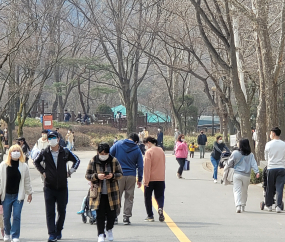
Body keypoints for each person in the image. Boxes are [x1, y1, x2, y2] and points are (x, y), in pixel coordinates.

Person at [33, 130, 80, 242]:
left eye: (53, 137)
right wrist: (43, 172)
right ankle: (51, 233)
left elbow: (77, 160)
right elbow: (36, 162)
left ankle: (58, 229)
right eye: (49, 138)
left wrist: (70, 172)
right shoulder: (45, 152)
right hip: (49, 186)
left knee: (62, 210)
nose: (51, 140)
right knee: (50, 211)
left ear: (58, 139)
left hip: (62, 187)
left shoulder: (65, 152)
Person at [86, 143, 123, 242]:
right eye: (102, 153)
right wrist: (97, 176)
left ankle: (109, 229)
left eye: (106, 153)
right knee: (100, 215)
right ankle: (100, 234)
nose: (104, 155)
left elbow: (120, 174)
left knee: (112, 215)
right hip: (98, 193)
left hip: (112, 193)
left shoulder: (114, 160)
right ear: (98, 152)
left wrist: (112, 175)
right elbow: (87, 175)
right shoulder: (93, 161)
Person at [0, 144, 33, 242]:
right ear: (9, 153)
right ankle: (7, 233)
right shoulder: (3, 166)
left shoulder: (24, 166)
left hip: (18, 195)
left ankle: (15, 235)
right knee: (6, 216)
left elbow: (27, 180)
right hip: (6, 196)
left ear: (21, 153)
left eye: (18, 151)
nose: (15, 153)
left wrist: (29, 193)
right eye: (13, 151)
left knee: (17, 215)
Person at [110, 133, 143, 225]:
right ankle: (126, 217)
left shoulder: (117, 144)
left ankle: (115, 216)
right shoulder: (137, 149)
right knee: (129, 197)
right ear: (136, 141)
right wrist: (139, 179)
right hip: (131, 175)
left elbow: (109, 155)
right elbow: (140, 166)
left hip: (118, 175)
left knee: (117, 196)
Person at [223, 139, 260, 213]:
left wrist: (225, 168)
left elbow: (229, 163)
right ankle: (243, 205)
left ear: (241, 145)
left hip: (237, 174)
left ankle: (238, 206)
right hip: (247, 176)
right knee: (244, 191)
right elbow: (254, 164)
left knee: (237, 190)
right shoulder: (251, 154)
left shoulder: (235, 153)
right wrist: (257, 172)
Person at [143, 137, 166, 222]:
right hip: (160, 178)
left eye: (145, 144)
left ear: (148, 143)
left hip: (150, 179)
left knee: (148, 197)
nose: (145, 146)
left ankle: (150, 215)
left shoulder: (148, 152)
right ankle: (160, 207)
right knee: (160, 196)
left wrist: (146, 180)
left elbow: (147, 167)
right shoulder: (161, 150)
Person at [264, 127, 285, 213]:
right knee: (279, 187)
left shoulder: (268, 144)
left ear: (273, 134)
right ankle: (278, 206)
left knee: (270, 187)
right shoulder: (283, 144)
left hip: (271, 167)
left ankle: (269, 205)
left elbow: (266, 157)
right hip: (281, 168)